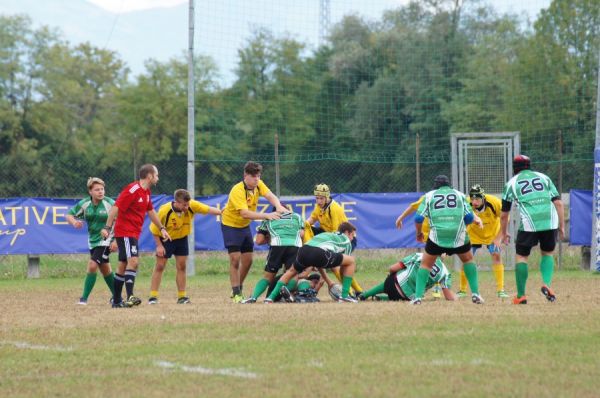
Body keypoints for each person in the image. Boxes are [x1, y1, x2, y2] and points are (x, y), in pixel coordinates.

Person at [101, 164, 171, 308]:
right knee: (134, 261)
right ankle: (130, 296)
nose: (158, 178)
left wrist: (162, 228)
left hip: (133, 233)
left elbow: (151, 211)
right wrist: (107, 228)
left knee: (122, 265)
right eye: (156, 175)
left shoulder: (146, 192)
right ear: (150, 176)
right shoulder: (132, 190)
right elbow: (116, 208)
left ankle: (116, 301)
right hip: (126, 232)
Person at [500, 155, 564, 305]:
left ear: (514, 168)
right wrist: (561, 226)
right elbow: (559, 203)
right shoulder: (544, 177)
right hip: (550, 220)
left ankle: (521, 295)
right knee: (547, 253)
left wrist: (504, 233)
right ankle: (547, 284)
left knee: (522, 257)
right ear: (529, 166)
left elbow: (504, 214)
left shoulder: (511, 183)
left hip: (529, 223)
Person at [412, 175, 484, 305]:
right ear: (448, 185)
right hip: (458, 235)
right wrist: (461, 227)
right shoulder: (460, 195)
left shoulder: (429, 195)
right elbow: (469, 217)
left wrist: (419, 233)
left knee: (426, 265)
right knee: (468, 260)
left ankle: (417, 298)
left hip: (437, 236)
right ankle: (475, 294)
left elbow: (418, 219)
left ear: (436, 186)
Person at [220, 161, 286, 303]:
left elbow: (270, 196)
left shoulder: (258, 184)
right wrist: (267, 215)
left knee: (248, 261)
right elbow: (244, 213)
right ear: (245, 176)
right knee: (235, 259)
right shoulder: (237, 190)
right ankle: (237, 293)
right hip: (230, 225)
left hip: (244, 226)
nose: (257, 179)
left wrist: (278, 206)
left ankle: (238, 287)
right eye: (254, 176)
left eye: (258, 176)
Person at [148, 189, 221, 304]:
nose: (187, 207)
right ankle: (153, 297)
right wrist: (159, 246)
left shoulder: (191, 205)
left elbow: (209, 209)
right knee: (160, 266)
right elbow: (154, 229)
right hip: (166, 239)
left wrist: (223, 212)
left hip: (182, 238)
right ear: (176, 202)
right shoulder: (164, 211)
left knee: (182, 266)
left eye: (188, 204)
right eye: (184, 205)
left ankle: (182, 297)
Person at [265, 222, 359, 303]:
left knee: (290, 272)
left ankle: (270, 298)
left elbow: (318, 262)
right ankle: (345, 296)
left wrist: (327, 280)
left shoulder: (329, 235)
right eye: (352, 235)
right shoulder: (346, 241)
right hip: (319, 252)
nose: (352, 238)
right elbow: (344, 267)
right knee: (351, 261)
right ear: (347, 232)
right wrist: (343, 288)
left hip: (304, 249)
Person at [305, 183, 363, 295]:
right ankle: (308, 250)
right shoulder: (319, 206)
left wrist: (327, 250)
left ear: (327, 197)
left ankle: (354, 292)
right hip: (329, 236)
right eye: (317, 198)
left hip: (345, 239)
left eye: (321, 198)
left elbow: (338, 234)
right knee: (305, 227)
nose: (319, 201)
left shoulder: (335, 208)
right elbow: (311, 220)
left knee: (338, 266)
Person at [66, 177, 116, 305]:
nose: (100, 192)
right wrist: (74, 222)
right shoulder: (85, 204)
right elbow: (69, 214)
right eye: (97, 189)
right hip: (92, 240)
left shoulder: (110, 203)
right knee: (105, 268)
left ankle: (84, 299)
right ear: (90, 192)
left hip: (107, 239)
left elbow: (121, 221)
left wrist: (115, 240)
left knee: (93, 265)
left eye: (102, 189)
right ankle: (117, 296)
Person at [241, 208, 304, 304]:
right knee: (292, 276)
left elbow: (259, 241)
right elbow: (302, 234)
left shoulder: (268, 218)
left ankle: (253, 297)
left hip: (277, 246)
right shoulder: (297, 216)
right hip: (294, 246)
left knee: (267, 277)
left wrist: (269, 238)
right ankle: (271, 298)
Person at [458, 184, 509, 299]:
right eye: (472, 198)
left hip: (492, 234)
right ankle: (462, 290)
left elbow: (505, 219)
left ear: (483, 198)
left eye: (477, 199)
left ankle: (501, 290)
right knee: (466, 259)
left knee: (496, 255)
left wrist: (498, 238)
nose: (474, 202)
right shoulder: (466, 204)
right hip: (473, 235)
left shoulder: (494, 202)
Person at [395, 194, 442, 299]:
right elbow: (413, 207)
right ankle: (428, 287)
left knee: (438, 259)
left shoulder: (430, 196)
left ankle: (434, 287)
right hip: (432, 233)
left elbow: (413, 208)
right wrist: (400, 217)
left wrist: (400, 218)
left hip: (438, 231)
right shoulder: (428, 197)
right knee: (435, 259)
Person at [359, 253, 455, 302]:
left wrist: (390, 275)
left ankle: (366, 294)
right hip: (407, 297)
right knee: (408, 295)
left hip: (392, 284)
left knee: (392, 277)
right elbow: (449, 297)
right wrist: (456, 297)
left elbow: (393, 268)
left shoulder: (420, 256)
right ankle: (381, 298)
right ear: (445, 255)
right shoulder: (445, 273)